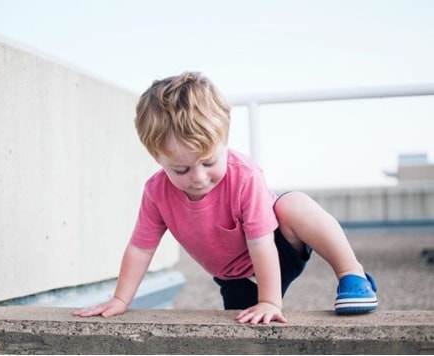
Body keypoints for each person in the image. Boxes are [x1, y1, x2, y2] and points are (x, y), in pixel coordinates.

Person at [74, 71, 378, 325]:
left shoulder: (244, 175)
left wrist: (270, 301)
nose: (198, 177)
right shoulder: (156, 192)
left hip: (277, 246)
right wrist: (120, 299)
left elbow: (261, 243)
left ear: (224, 142)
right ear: (157, 158)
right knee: (241, 329)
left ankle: (352, 274)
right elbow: (141, 248)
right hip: (235, 277)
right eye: (180, 169)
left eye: (208, 162)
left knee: (293, 204)